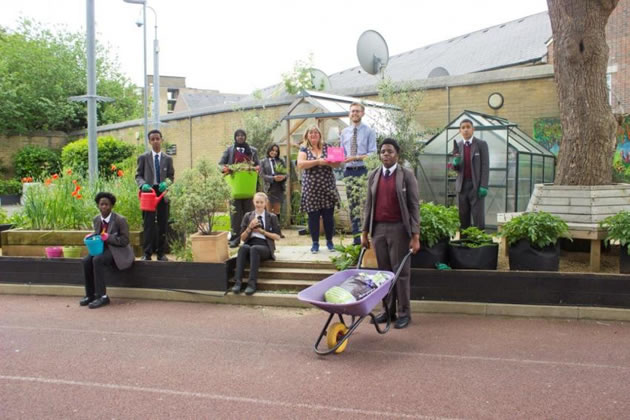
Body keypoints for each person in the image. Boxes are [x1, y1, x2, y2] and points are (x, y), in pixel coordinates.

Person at [361, 139, 420, 329]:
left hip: (399, 230)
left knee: (400, 272)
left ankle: (404, 313)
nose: (386, 154)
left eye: (390, 151)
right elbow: (368, 206)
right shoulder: (373, 175)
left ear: (397, 155)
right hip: (378, 230)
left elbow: (414, 206)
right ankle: (388, 311)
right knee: (383, 274)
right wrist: (364, 232)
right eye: (383, 151)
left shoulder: (407, 176)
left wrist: (415, 235)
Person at [81, 192, 135, 309]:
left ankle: (102, 296)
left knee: (97, 260)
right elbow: (97, 234)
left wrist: (109, 237)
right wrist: (90, 236)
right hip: (102, 248)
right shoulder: (96, 219)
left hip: (117, 250)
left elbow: (125, 240)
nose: (104, 207)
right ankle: (90, 295)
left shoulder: (120, 220)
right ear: (98, 205)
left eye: (107, 204)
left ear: (112, 206)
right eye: (101, 204)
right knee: (86, 261)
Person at [297, 126, 341, 254]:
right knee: (313, 217)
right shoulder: (303, 148)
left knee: (328, 216)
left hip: (327, 186)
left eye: (316, 132)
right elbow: (301, 164)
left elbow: (337, 163)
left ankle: (330, 241)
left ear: (320, 135)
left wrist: (328, 162)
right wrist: (318, 162)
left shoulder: (328, 146)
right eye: (311, 132)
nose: (313, 135)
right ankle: (315, 243)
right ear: (307, 135)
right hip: (311, 188)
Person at [135, 129, 175, 261]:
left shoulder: (168, 159)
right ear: (149, 141)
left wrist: (167, 183)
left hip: (162, 193)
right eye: (153, 139)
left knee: (163, 223)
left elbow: (171, 176)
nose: (155, 141)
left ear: (161, 140)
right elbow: (138, 175)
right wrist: (142, 185)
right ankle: (147, 253)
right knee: (148, 223)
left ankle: (161, 253)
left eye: (158, 138)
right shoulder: (143, 158)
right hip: (148, 193)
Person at [340, 102, 377, 245]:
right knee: (353, 205)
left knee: (366, 204)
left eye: (357, 111)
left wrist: (355, 157)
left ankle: (368, 237)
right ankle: (356, 239)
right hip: (348, 172)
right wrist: (335, 158)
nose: (354, 113)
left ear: (362, 113)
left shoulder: (369, 131)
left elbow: (373, 154)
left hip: (363, 171)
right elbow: (342, 153)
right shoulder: (344, 132)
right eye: (352, 111)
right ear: (349, 114)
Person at [232, 192, 282, 295]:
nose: (258, 204)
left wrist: (262, 231)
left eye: (261, 202)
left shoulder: (271, 217)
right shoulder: (248, 215)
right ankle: (237, 282)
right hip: (250, 243)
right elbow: (242, 238)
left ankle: (252, 284)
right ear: (253, 202)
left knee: (254, 248)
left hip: (265, 246)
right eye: (257, 202)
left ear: (265, 203)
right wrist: (249, 227)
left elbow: (277, 237)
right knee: (243, 248)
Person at [219, 129, 260, 248]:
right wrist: (227, 168)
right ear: (235, 137)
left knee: (249, 213)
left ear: (245, 137)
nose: (240, 137)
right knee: (235, 214)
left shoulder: (253, 151)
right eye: (238, 136)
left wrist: (255, 168)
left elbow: (258, 165)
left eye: (242, 135)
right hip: (234, 188)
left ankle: (250, 238)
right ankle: (235, 239)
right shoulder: (229, 150)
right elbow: (220, 165)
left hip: (248, 187)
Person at [452, 119, 489, 230]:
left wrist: (483, 185)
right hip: (462, 187)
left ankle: (479, 244)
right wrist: (454, 163)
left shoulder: (481, 144)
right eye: (463, 128)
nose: (466, 130)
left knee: (478, 218)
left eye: (468, 127)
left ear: (473, 129)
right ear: (460, 131)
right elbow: (455, 168)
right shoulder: (457, 145)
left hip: (476, 186)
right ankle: (464, 244)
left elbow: (485, 165)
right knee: (463, 218)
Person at [260, 143, 287, 221]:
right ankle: (268, 229)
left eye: (276, 151)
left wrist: (283, 177)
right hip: (269, 188)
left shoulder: (280, 160)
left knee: (277, 210)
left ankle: (276, 229)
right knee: (268, 210)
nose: (274, 152)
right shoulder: (263, 161)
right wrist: (273, 178)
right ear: (269, 150)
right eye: (272, 150)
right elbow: (262, 175)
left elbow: (286, 174)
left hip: (278, 187)